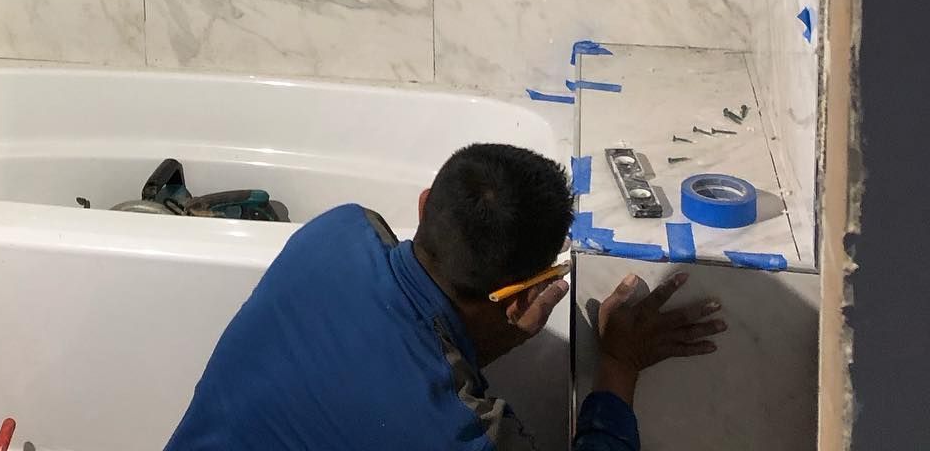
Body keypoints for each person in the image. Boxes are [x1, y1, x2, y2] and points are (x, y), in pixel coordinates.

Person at [163, 142, 725, 450]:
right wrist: (620, 365)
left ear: (425, 202)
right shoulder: (457, 436)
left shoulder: (335, 231)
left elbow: (379, 353)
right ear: (516, 297)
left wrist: (487, 340)